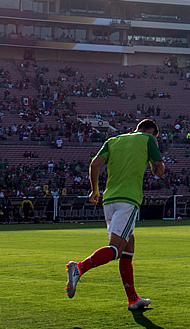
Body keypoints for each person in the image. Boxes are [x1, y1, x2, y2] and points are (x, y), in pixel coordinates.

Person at [66, 119, 165, 310]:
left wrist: (94, 190)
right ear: (152, 131)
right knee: (116, 249)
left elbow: (94, 165)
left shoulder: (113, 140)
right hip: (128, 200)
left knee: (129, 246)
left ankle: (133, 299)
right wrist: (157, 159)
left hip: (109, 199)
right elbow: (158, 172)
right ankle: (79, 268)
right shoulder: (148, 139)